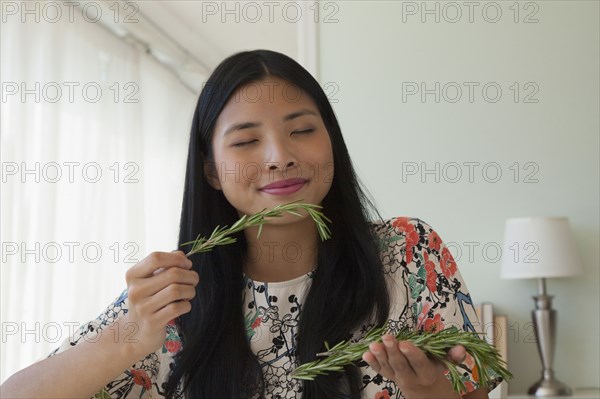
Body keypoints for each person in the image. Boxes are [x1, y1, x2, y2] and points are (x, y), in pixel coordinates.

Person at [1, 49, 500, 399]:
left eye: (302, 130)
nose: (280, 157)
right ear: (211, 171)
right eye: (245, 142)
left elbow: (472, 388)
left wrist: (430, 391)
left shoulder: (407, 252)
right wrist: (131, 330)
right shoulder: (177, 294)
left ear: (332, 143)